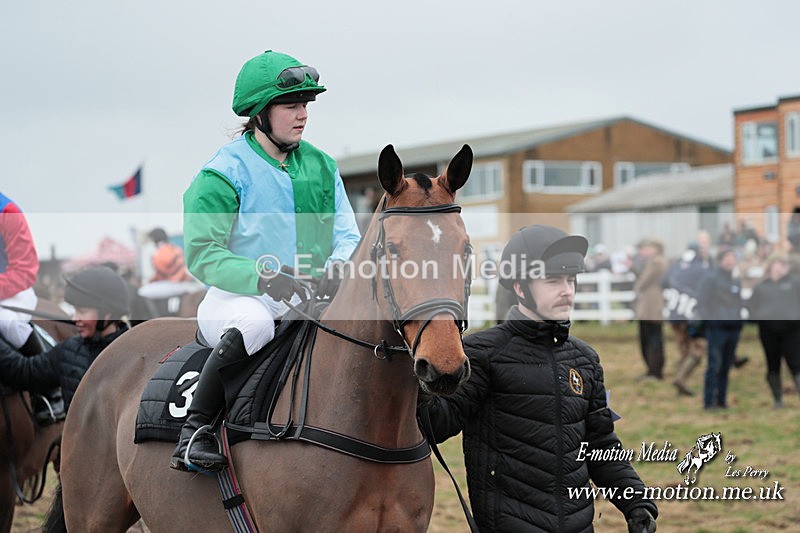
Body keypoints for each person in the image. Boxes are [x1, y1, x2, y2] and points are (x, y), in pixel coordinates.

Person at [170, 50, 361, 473]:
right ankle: (195, 432)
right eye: (292, 105)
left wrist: (338, 267)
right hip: (240, 299)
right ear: (260, 112)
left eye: (306, 104)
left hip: (310, 297)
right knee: (255, 324)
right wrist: (264, 278)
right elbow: (203, 253)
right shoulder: (220, 174)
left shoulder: (322, 165)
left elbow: (348, 235)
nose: (303, 114)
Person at [421, 225, 658, 533]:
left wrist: (636, 502)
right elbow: (437, 424)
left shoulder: (585, 360)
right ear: (521, 288)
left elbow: (600, 444)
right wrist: (420, 384)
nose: (567, 290)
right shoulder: (482, 354)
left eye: (571, 280)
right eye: (553, 281)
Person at [0, 266, 130, 416]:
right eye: (75, 311)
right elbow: (23, 372)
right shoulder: (68, 350)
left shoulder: (136, 354)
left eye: (82, 311)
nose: (75, 318)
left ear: (107, 314)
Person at [747, 253, 800, 408]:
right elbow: (751, 308)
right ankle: (777, 400)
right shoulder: (762, 287)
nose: (785, 267)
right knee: (773, 366)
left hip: (793, 332)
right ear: (772, 265)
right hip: (768, 332)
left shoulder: (795, 283)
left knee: (796, 364)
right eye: (781, 263)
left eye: (786, 264)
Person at [697, 247, 744, 410]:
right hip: (717, 329)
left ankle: (722, 400)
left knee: (726, 366)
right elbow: (702, 302)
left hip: (733, 328)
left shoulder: (735, 280)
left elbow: (738, 303)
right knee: (714, 365)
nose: (730, 261)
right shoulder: (710, 278)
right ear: (721, 260)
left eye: (733, 257)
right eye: (727, 258)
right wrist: (710, 322)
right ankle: (709, 402)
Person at [662, 242, 708, 396]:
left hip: (675, 313)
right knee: (699, 348)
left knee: (683, 349)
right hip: (691, 314)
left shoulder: (675, 266)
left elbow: (663, 283)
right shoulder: (701, 269)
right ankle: (680, 379)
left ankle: (680, 383)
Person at [632, 238, 667, 380]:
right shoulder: (654, 262)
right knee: (649, 338)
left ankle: (655, 371)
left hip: (652, 305)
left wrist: (638, 286)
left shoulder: (657, 262)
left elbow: (642, 282)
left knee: (652, 339)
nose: (644, 251)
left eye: (648, 248)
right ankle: (652, 370)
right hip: (649, 304)